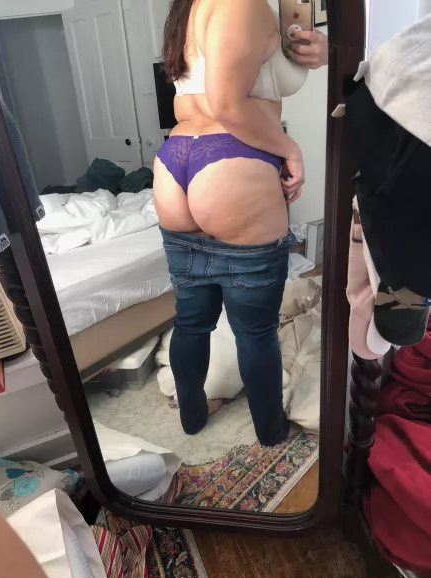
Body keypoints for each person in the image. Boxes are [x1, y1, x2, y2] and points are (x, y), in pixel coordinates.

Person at [154, 0, 311, 447]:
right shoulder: (240, 3)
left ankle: (192, 418)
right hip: (230, 162)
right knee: (256, 334)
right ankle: (271, 432)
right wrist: (291, 149)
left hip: (175, 162)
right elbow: (226, 104)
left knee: (191, 322)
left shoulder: (189, 8)